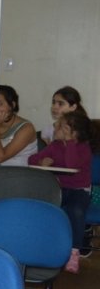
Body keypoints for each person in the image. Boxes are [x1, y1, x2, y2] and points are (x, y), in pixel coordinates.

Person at [29, 110, 94, 273]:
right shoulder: (54, 146)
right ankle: (44, 247)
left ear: (73, 132)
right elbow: (32, 160)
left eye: (60, 127)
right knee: (45, 208)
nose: (55, 128)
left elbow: (72, 164)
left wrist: (70, 143)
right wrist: (42, 161)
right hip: (58, 188)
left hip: (79, 190)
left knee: (76, 211)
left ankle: (74, 251)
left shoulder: (83, 148)